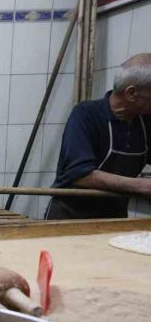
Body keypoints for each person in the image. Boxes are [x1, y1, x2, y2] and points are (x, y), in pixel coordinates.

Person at [46, 53, 151, 219]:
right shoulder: (86, 114)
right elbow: (80, 174)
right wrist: (142, 186)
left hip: (113, 217)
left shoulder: (145, 122)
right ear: (131, 93)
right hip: (70, 217)